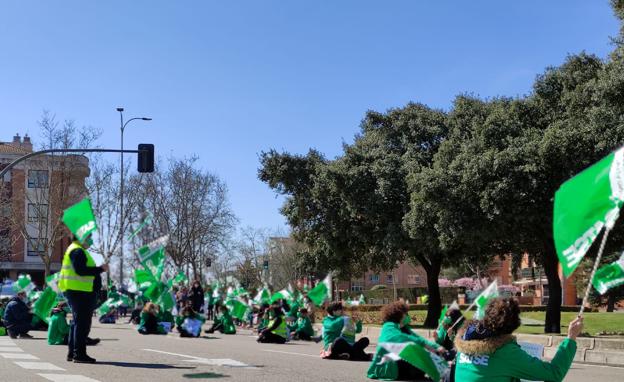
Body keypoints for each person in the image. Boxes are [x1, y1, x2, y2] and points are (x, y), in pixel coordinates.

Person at [454, 297, 582, 381]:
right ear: (512, 326)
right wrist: (571, 338)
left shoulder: (464, 344)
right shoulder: (505, 351)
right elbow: (554, 373)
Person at [59, 234, 108, 363]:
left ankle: (72, 353)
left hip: (79, 291)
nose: (91, 240)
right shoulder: (77, 250)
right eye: (89, 237)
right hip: (79, 292)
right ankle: (79, 354)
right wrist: (100, 269)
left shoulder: (76, 249)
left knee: (77, 323)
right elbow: (80, 270)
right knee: (82, 324)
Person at [368, 301, 446, 380]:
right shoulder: (388, 326)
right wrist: (424, 345)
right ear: (399, 314)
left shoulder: (405, 328)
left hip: (399, 360)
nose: (407, 316)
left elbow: (419, 339)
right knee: (418, 366)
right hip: (388, 366)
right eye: (406, 313)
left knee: (421, 363)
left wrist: (437, 347)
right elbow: (398, 337)